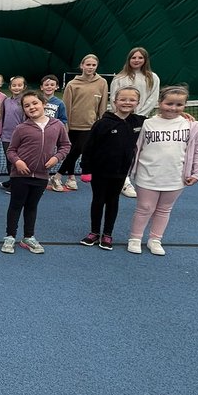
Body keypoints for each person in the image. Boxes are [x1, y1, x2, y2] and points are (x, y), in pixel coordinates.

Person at [127, 85, 198, 256]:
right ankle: (135, 238)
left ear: (185, 105)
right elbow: (135, 148)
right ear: (160, 102)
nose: (173, 108)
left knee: (164, 209)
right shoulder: (147, 124)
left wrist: (197, 173)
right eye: (169, 103)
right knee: (144, 207)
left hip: (175, 178)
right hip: (147, 175)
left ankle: (155, 240)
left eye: (179, 105)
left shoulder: (192, 126)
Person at [0, 91, 71, 255]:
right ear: (24, 110)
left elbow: (65, 146)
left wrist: (57, 158)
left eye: (34, 103)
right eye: (27, 105)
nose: (31, 107)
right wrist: (17, 162)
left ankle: (28, 237)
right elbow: (11, 151)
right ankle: (10, 237)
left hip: (41, 176)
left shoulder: (58, 125)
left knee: (32, 207)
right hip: (20, 176)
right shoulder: (21, 128)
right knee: (15, 206)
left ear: (43, 104)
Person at [78, 87, 143, 250]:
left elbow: (162, 122)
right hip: (100, 172)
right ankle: (94, 232)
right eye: (123, 99)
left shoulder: (140, 122)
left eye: (131, 100)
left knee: (113, 201)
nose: (127, 102)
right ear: (114, 102)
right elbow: (88, 147)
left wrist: (185, 116)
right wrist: (85, 169)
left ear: (137, 103)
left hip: (121, 173)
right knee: (98, 201)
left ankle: (107, 234)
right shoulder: (102, 124)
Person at [109, 47, 160, 197]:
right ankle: (122, 181)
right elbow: (114, 98)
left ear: (145, 60)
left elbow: (152, 99)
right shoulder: (119, 78)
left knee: (138, 151)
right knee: (121, 150)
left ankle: (135, 179)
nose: (137, 60)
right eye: (134, 57)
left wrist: (138, 116)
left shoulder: (153, 77)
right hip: (121, 121)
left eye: (140, 58)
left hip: (141, 121)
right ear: (129, 59)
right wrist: (123, 115)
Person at [59, 54, 109, 190]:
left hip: (90, 125)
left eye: (93, 65)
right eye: (88, 64)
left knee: (79, 149)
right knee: (71, 151)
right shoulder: (72, 84)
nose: (90, 67)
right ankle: (70, 177)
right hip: (72, 124)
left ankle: (57, 175)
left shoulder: (102, 82)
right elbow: (66, 106)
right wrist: (65, 125)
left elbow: (103, 104)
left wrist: (102, 122)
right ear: (82, 66)